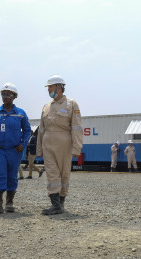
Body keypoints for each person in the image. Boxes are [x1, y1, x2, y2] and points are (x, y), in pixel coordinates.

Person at [37, 74, 83, 215]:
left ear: (59, 87)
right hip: (47, 143)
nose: (48, 89)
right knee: (51, 173)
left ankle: (61, 203)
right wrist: (39, 148)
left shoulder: (71, 104)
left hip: (64, 143)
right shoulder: (46, 107)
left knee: (64, 173)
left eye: (50, 87)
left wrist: (77, 147)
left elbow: (77, 127)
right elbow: (41, 129)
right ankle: (55, 204)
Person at [0, 82, 31, 215]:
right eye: (3, 94)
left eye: (8, 94)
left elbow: (27, 131)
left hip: (14, 150)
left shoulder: (21, 113)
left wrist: (23, 144)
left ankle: (9, 202)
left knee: (12, 175)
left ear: (14, 96)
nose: (5, 97)